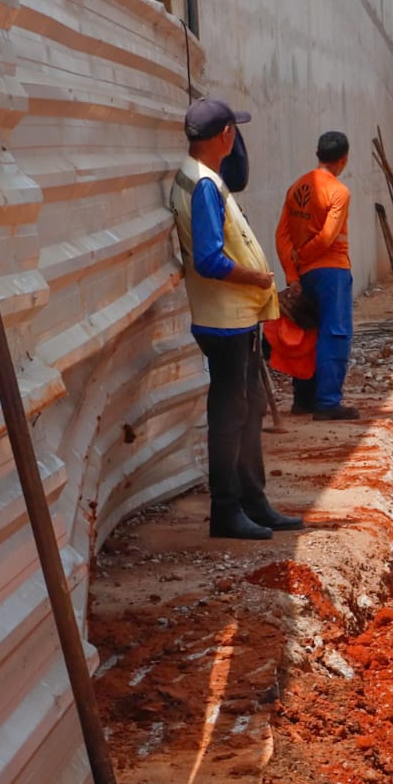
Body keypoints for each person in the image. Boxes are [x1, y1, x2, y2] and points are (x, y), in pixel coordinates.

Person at [171, 98, 303, 540]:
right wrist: (257, 277)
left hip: (235, 317)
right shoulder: (204, 186)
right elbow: (208, 259)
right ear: (225, 136)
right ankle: (226, 510)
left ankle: (253, 501)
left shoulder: (199, 178)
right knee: (230, 415)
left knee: (249, 408)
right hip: (223, 319)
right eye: (235, 131)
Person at [275, 130, 359, 420]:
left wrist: (293, 274)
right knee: (334, 334)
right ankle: (327, 402)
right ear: (344, 159)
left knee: (306, 331)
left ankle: (303, 399)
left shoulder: (297, 187)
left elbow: (282, 235)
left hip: (305, 276)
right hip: (332, 271)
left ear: (317, 154)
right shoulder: (339, 192)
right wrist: (304, 258)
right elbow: (326, 237)